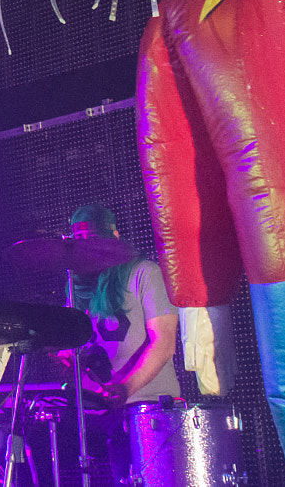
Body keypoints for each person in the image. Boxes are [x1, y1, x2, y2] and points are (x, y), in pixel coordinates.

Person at [63, 204, 179, 486]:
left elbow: (164, 343)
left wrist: (126, 387)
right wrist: (66, 358)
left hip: (151, 409)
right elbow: (74, 344)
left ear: (114, 235)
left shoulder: (145, 273)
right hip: (103, 412)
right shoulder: (78, 286)